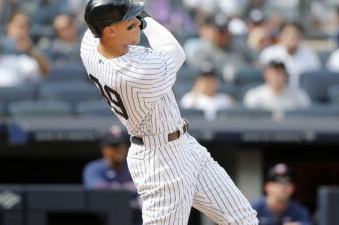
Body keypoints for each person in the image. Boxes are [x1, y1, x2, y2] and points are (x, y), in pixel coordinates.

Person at [80, 0, 258, 224]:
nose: (137, 22)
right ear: (110, 30)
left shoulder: (89, 45)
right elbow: (174, 51)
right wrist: (147, 19)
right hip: (159, 159)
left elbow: (94, 21)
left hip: (185, 145)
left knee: (244, 220)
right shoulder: (138, 72)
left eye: (137, 18)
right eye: (131, 22)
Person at [82, 125, 141, 225]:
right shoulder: (94, 168)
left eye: (122, 145)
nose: (120, 149)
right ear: (104, 149)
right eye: (114, 146)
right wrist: (130, 189)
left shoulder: (136, 167)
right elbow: (99, 191)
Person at [259, 22, 321, 89]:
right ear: (281, 35)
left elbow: (315, 80)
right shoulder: (269, 53)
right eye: (288, 33)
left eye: (296, 34)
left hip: (300, 93)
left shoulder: (310, 55)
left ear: (301, 36)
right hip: (275, 93)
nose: (292, 37)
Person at [184, 14, 251, 72]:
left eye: (224, 31)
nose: (222, 35)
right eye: (219, 31)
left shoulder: (241, 48)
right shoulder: (202, 52)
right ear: (212, 32)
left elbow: (255, 65)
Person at [244, 60, 311, 112]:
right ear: (266, 75)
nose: (276, 77)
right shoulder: (254, 95)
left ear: (286, 75)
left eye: (280, 72)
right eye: (273, 73)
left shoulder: (299, 96)